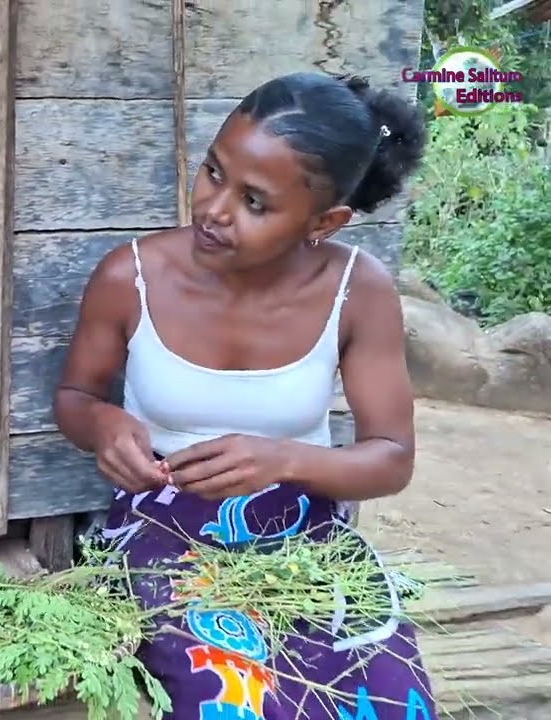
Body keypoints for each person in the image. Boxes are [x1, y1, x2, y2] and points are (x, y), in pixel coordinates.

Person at [54, 71, 434, 718]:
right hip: (161, 531)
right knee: (232, 699)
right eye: (212, 172)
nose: (213, 209)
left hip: (304, 536)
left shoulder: (358, 292)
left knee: (390, 700)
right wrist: (104, 425)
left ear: (325, 221)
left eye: (254, 203)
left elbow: (391, 457)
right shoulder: (131, 277)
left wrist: (283, 461)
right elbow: (74, 396)